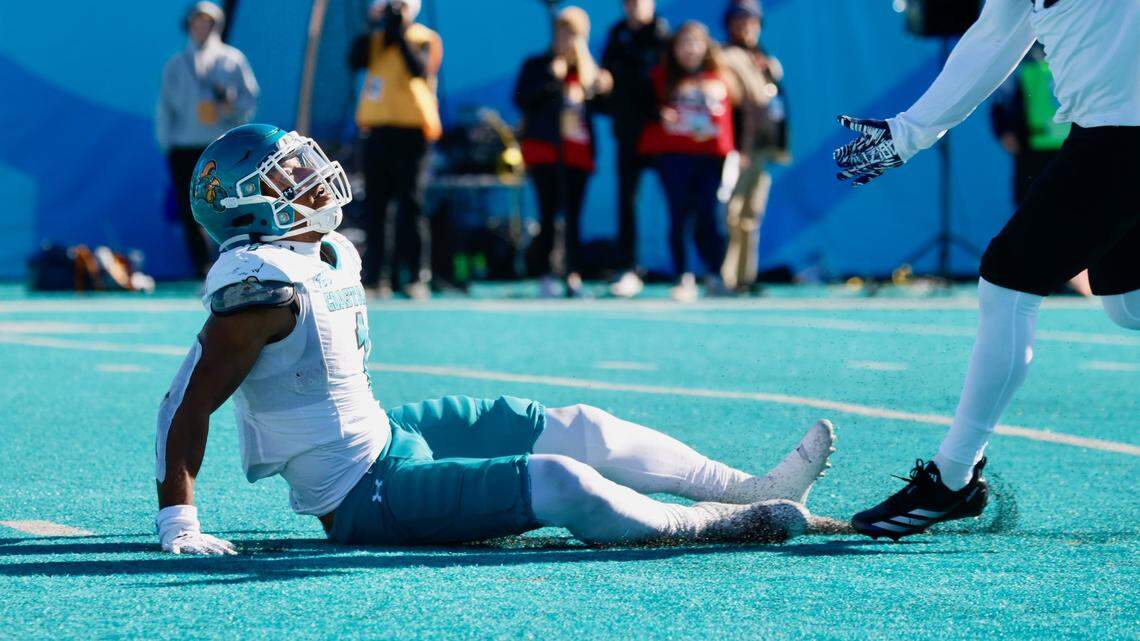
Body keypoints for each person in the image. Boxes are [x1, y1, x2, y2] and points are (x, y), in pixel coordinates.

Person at [153, 123, 850, 555]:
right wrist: (179, 520)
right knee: (562, 480)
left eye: (300, 162)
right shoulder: (260, 284)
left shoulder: (327, 251)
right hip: (363, 495)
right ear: (245, 207)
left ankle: (750, 487)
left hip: (386, 436)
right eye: (285, 174)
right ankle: (714, 524)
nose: (311, 175)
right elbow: (183, 403)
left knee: (580, 427)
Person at [833, 0, 1139, 539]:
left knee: (1008, 283)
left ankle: (953, 477)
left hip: (1120, 139)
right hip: (1104, 132)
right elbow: (993, 39)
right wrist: (908, 132)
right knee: (1126, 302)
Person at [514, 7, 612, 298]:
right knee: (548, 214)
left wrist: (604, 87)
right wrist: (550, 79)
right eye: (562, 32)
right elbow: (522, 98)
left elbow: (603, 108)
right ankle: (546, 272)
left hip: (577, 154)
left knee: (573, 217)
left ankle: (572, 272)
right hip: (545, 152)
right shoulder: (538, 65)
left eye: (573, 34)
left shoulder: (586, 72)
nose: (567, 39)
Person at [157, 1, 258, 277]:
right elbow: (165, 107)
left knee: (228, 204)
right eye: (196, 22)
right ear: (188, 26)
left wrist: (230, 109)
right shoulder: (176, 64)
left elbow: (249, 101)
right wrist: (166, 143)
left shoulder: (232, 60)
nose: (201, 28)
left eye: (207, 22)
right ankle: (201, 266)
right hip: (184, 146)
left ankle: (233, 262)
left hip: (219, 146)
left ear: (216, 26)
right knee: (189, 208)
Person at [638, 22, 738, 302]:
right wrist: (659, 115)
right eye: (683, 43)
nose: (689, 49)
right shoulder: (661, 77)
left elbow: (739, 115)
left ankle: (716, 274)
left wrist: (738, 150)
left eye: (694, 43)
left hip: (712, 157)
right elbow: (639, 108)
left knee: (711, 214)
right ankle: (684, 275)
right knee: (680, 214)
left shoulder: (722, 78)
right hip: (675, 156)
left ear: (706, 47)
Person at [349, 0, 442, 300]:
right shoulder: (377, 39)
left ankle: (415, 275)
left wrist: (400, 33)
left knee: (411, 203)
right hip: (378, 132)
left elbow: (418, 68)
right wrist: (373, 25)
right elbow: (355, 60)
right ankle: (376, 277)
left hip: (412, 133)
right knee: (376, 206)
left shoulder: (424, 38)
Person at [600, 0, 670, 298]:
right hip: (628, 133)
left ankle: (686, 270)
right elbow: (606, 79)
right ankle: (628, 267)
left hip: (661, 134)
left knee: (679, 202)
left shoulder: (663, 35)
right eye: (629, 2)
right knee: (627, 201)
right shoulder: (616, 35)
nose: (634, 6)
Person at [719, 0, 789, 295]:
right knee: (732, 213)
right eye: (740, 21)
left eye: (752, 21)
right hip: (739, 149)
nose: (747, 27)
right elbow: (735, 104)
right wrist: (738, 148)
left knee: (751, 214)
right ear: (729, 24)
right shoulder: (725, 57)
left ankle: (744, 277)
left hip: (762, 148)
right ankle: (725, 277)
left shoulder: (763, 58)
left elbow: (773, 104)